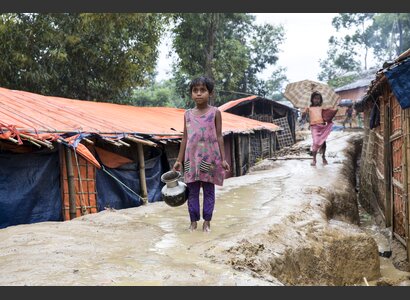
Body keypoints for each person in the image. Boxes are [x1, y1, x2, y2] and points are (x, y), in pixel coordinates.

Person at [173, 76, 230, 232]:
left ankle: (207, 222)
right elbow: (185, 137)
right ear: (191, 93)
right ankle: (193, 222)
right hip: (191, 160)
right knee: (192, 192)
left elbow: (219, 136)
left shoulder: (215, 113)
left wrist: (223, 159)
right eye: (195, 90)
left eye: (203, 90)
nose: (199, 93)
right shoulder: (187, 115)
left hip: (210, 159)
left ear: (210, 93)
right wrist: (179, 160)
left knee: (208, 191)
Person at [301, 91, 334, 167]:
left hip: (322, 126)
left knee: (323, 142)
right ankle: (314, 159)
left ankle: (323, 157)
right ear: (312, 99)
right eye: (315, 98)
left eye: (318, 99)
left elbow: (327, 116)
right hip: (314, 127)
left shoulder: (322, 108)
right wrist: (303, 114)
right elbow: (303, 118)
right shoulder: (308, 108)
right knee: (315, 142)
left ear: (321, 100)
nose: (317, 100)